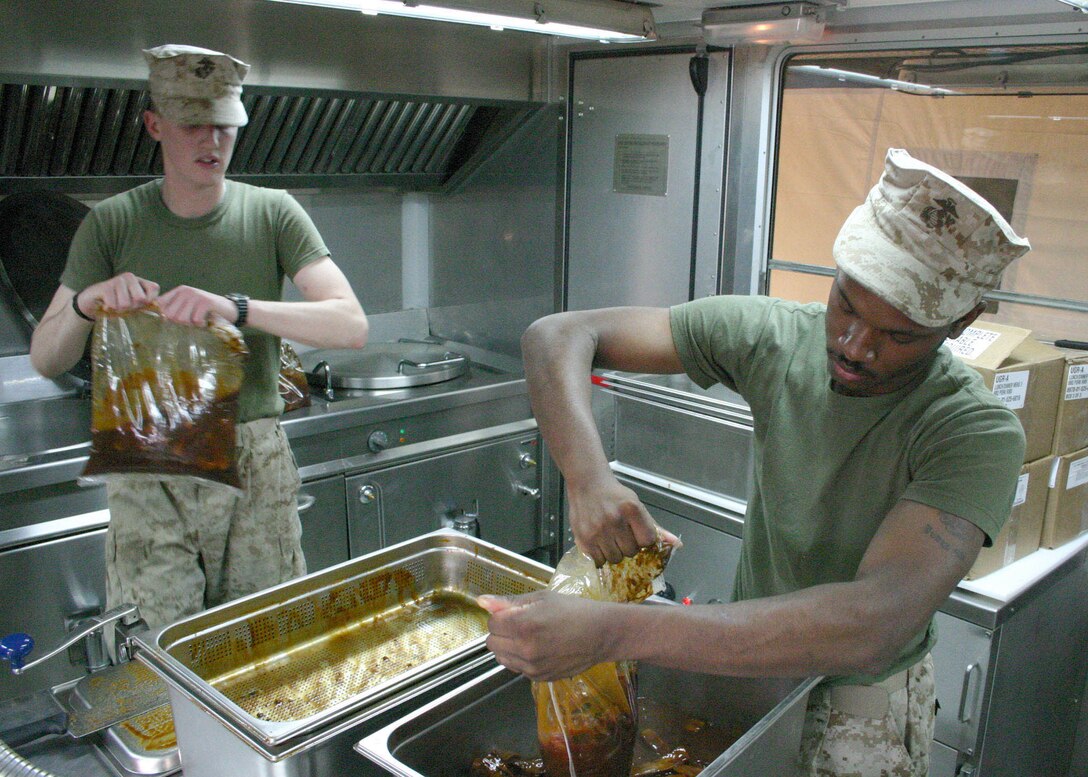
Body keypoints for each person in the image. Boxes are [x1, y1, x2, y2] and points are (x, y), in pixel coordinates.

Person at [478, 148, 1031, 776]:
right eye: (846, 304)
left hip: (863, 699)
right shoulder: (774, 337)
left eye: (898, 334)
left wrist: (611, 630)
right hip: (743, 667)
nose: (854, 345)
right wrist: (588, 480)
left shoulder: (974, 433)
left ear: (962, 321)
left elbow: (874, 619)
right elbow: (556, 337)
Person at [29, 44, 369, 629]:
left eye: (224, 126)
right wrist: (88, 303)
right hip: (147, 462)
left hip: (252, 456)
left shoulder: (272, 214)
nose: (211, 142)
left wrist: (237, 308)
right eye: (192, 126)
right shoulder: (111, 223)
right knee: (161, 650)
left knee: (266, 643)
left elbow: (349, 324)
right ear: (155, 125)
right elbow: (45, 357)